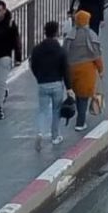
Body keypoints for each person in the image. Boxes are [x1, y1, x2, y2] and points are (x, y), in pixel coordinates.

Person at [29, 21, 70, 153]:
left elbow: (33, 66)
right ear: (56, 32)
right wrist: (69, 88)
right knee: (56, 110)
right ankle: (55, 136)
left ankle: (40, 132)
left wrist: (39, 77)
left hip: (43, 84)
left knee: (42, 110)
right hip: (57, 84)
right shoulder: (60, 50)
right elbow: (65, 70)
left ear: (44, 32)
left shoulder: (37, 49)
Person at [64, 10, 104, 132]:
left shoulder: (70, 36)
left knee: (77, 94)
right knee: (83, 97)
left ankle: (78, 114)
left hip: (71, 70)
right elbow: (97, 55)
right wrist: (101, 70)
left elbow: (64, 53)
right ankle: (80, 122)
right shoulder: (91, 35)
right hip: (86, 71)